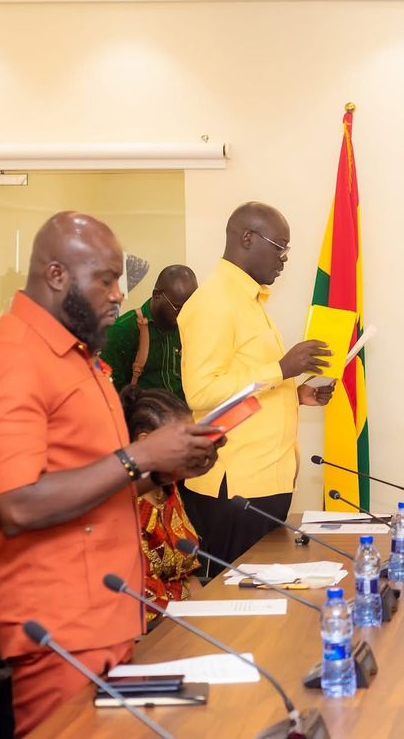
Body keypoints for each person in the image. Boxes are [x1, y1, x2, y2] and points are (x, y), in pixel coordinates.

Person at [0, 212, 221, 734]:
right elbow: (16, 504)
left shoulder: (76, 357)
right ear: (57, 274)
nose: (119, 295)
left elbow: (93, 480)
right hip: (59, 632)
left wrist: (164, 470)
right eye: (105, 279)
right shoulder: (13, 361)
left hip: (110, 617)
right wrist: (142, 458)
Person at [179, 202, 333, 574]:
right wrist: (281, 368)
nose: (284, 259)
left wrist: (294, 394)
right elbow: (200, 391)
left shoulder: (248, 302)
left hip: (265, 480)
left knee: (262, 594)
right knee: (232, 596)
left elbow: (241, 385)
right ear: (247, 238)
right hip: (235, 486)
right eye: (279, 247)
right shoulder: (214, 302)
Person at [120, 385, 202, 628]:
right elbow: (142, 600)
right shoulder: (124, 502)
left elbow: (188, 573)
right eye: (184, 442)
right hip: (151, 633)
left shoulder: (169, 486)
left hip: (186, 619)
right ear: (145, 441)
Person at [100, 264, 197, 399]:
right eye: (177, 307)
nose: (184, 314)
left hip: (183, 410)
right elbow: (111, 393)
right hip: (143, 410)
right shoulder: (123, 331)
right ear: (156, 295)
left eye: (190, 307)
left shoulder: (189, 325)